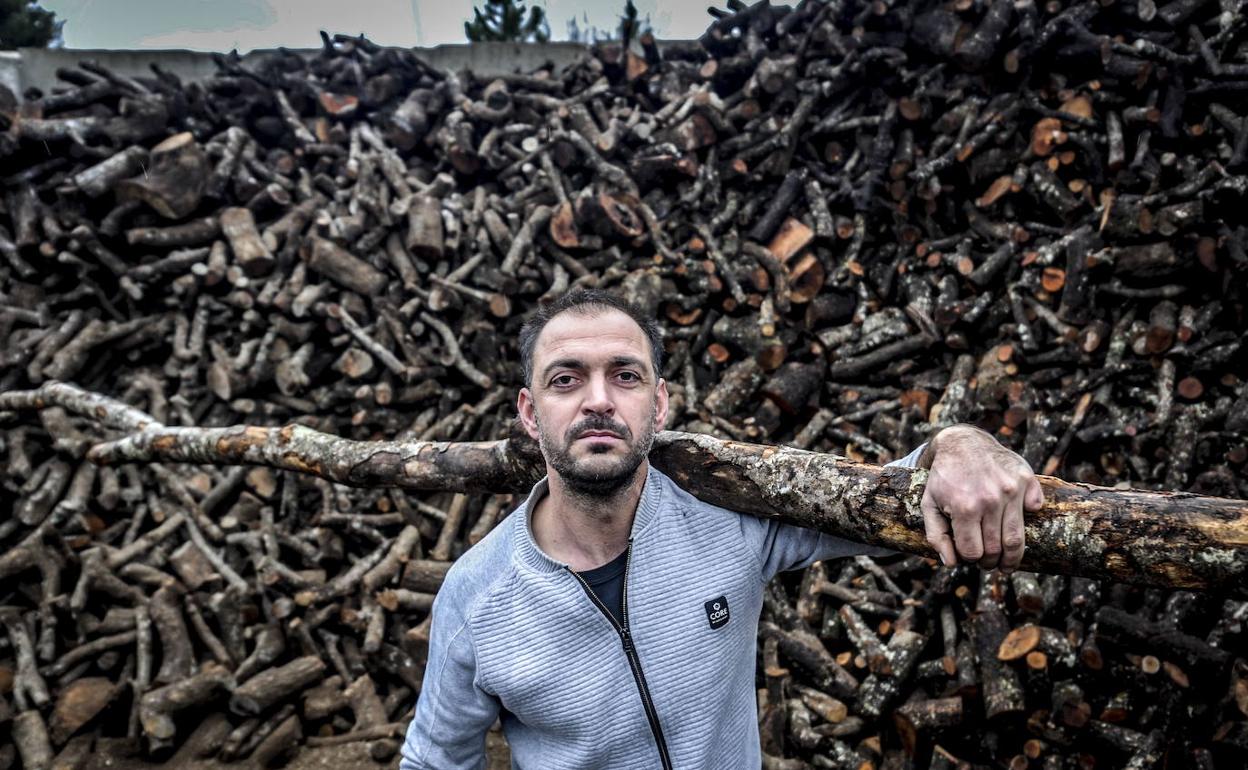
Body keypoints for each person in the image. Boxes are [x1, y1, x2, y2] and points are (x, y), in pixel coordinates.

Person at [400, 289, 1042, 769]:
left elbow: (893, 496)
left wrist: (960, 443)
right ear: (529, 412)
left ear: (658, 404)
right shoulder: (477, 595)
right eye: (566, 380)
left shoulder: (729, 520)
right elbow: (434, 761)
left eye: (625, 376)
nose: (598, 399)